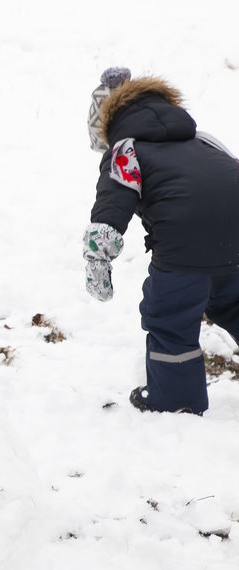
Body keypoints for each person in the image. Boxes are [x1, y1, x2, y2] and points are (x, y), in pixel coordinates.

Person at [81, 67, 239, 415]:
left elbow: (112, 206)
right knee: (232, 303)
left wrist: (98, 260)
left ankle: (177, 402)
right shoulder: (203, 139)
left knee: (170, 316)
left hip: (183, 244)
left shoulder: (126, 149)